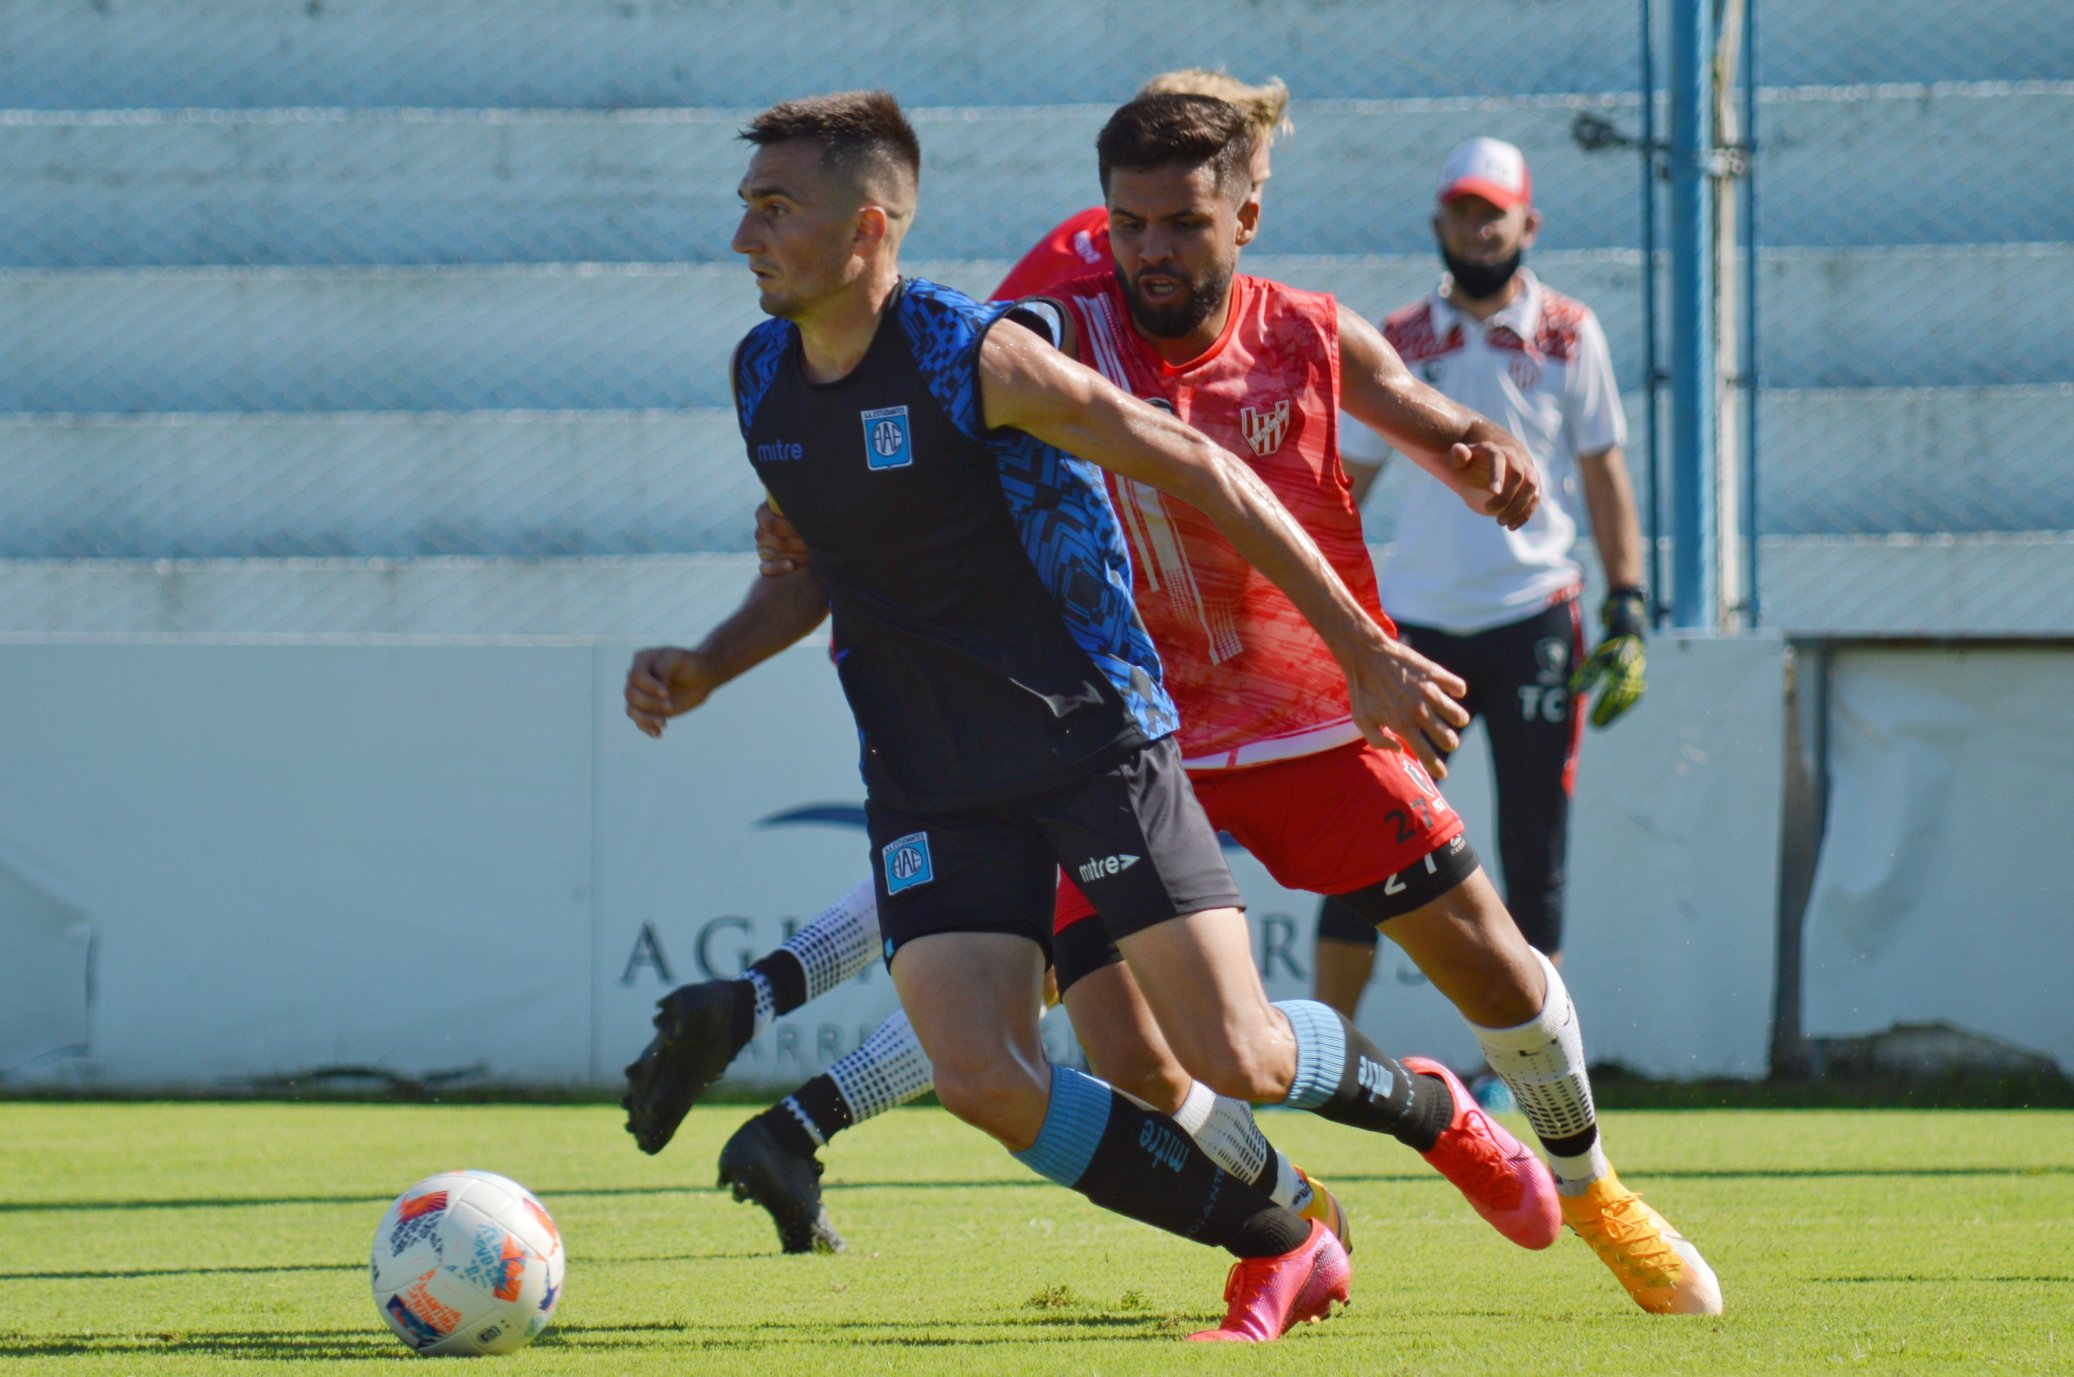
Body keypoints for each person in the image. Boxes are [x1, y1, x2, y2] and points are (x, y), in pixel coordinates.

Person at [660, 95, 1723, 1319]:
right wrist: (730, 624)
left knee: (1473, 968)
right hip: (1068, 733)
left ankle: (1589, 1186)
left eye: (1180, 222)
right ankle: (1286, 1225)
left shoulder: (1293, 330)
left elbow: (1354, 386)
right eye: (1127, 223)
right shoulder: (1038, 326)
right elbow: (852, 485)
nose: (1150, 248)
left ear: (1245, 218)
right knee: (1111, 1059)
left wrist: (1444, 446)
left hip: (1271, 714)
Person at [1314, 136, 1647, 1019]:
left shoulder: (1573, 332)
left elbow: (1605, 472)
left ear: (1527, 222)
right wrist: (1329, 609)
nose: (1476, 229)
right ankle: (1324, 1055)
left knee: (1536, 845)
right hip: (1415, 625)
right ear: (1438, 222)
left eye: (1491, 214)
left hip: (1537, 614)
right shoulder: (1396, 337)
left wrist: (1628, 601)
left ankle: (1538, 1067)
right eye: (1462, 212)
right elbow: (1343, 482)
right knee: (1363, 832)